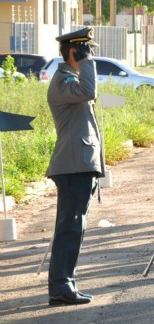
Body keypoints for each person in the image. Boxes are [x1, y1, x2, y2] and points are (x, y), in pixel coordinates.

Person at [46, 27, 103, 305]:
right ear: (75, 52)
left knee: (74, 227)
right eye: (87, 50)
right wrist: (87, 63)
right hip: (71, 165)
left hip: (79, 163)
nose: (91, 55)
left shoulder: (72, 79)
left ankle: (66, 282)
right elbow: (89, 91)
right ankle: (61, 286)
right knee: (70, 227)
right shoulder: (63, 81)